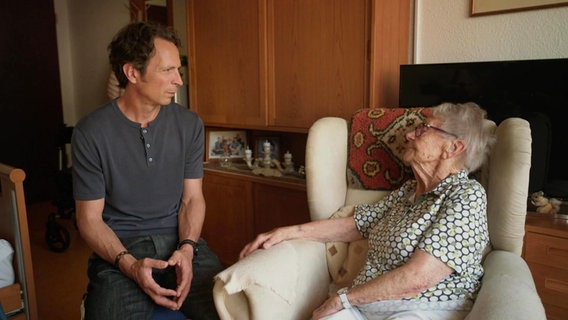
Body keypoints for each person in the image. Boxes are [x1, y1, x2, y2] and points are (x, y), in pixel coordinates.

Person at [240, 102, 495, 320]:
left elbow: (419, 277)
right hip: (365, 305)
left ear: (453, 148)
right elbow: (355, 224)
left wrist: (343, 298)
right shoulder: (407, 193)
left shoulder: (465, 196)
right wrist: (285, 232)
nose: (408, 136)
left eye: (422, 130)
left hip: (421, 309)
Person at [72, 21, 224, 320]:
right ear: (132, 73)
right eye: (167, 71)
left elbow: (192, 200)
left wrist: (188, 250)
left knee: (229, 309)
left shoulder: (189, 125)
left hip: (180, 242)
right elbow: (88, 219)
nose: (178, 81)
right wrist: (130, 265)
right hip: (121, 249)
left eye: (177, 70)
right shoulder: (91, 132)